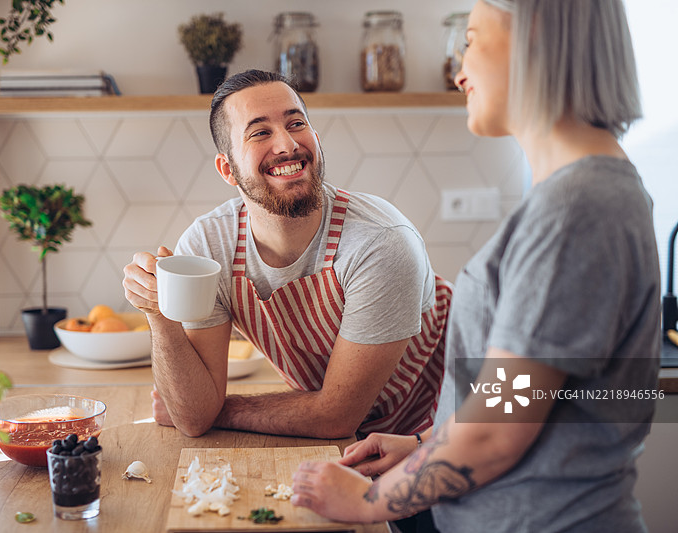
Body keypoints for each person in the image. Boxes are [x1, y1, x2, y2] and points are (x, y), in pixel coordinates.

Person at [290, 1, 660, 532]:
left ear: (537, 40)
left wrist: (366, 504)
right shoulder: (586, 194)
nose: (459, 69)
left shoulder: (577, 207)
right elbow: (526, 396)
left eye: (470, 39)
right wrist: (426, 443)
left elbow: (496, 430)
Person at [122, 69, 452, 440]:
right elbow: (194, 418)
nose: (287, 144)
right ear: (227, 169)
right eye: (260, 132)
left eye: (296, 123)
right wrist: (159, 313)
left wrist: (222, 408)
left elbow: (335, 417)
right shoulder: (209, 247)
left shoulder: (380, 243)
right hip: (355, 435)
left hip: (458, 415)